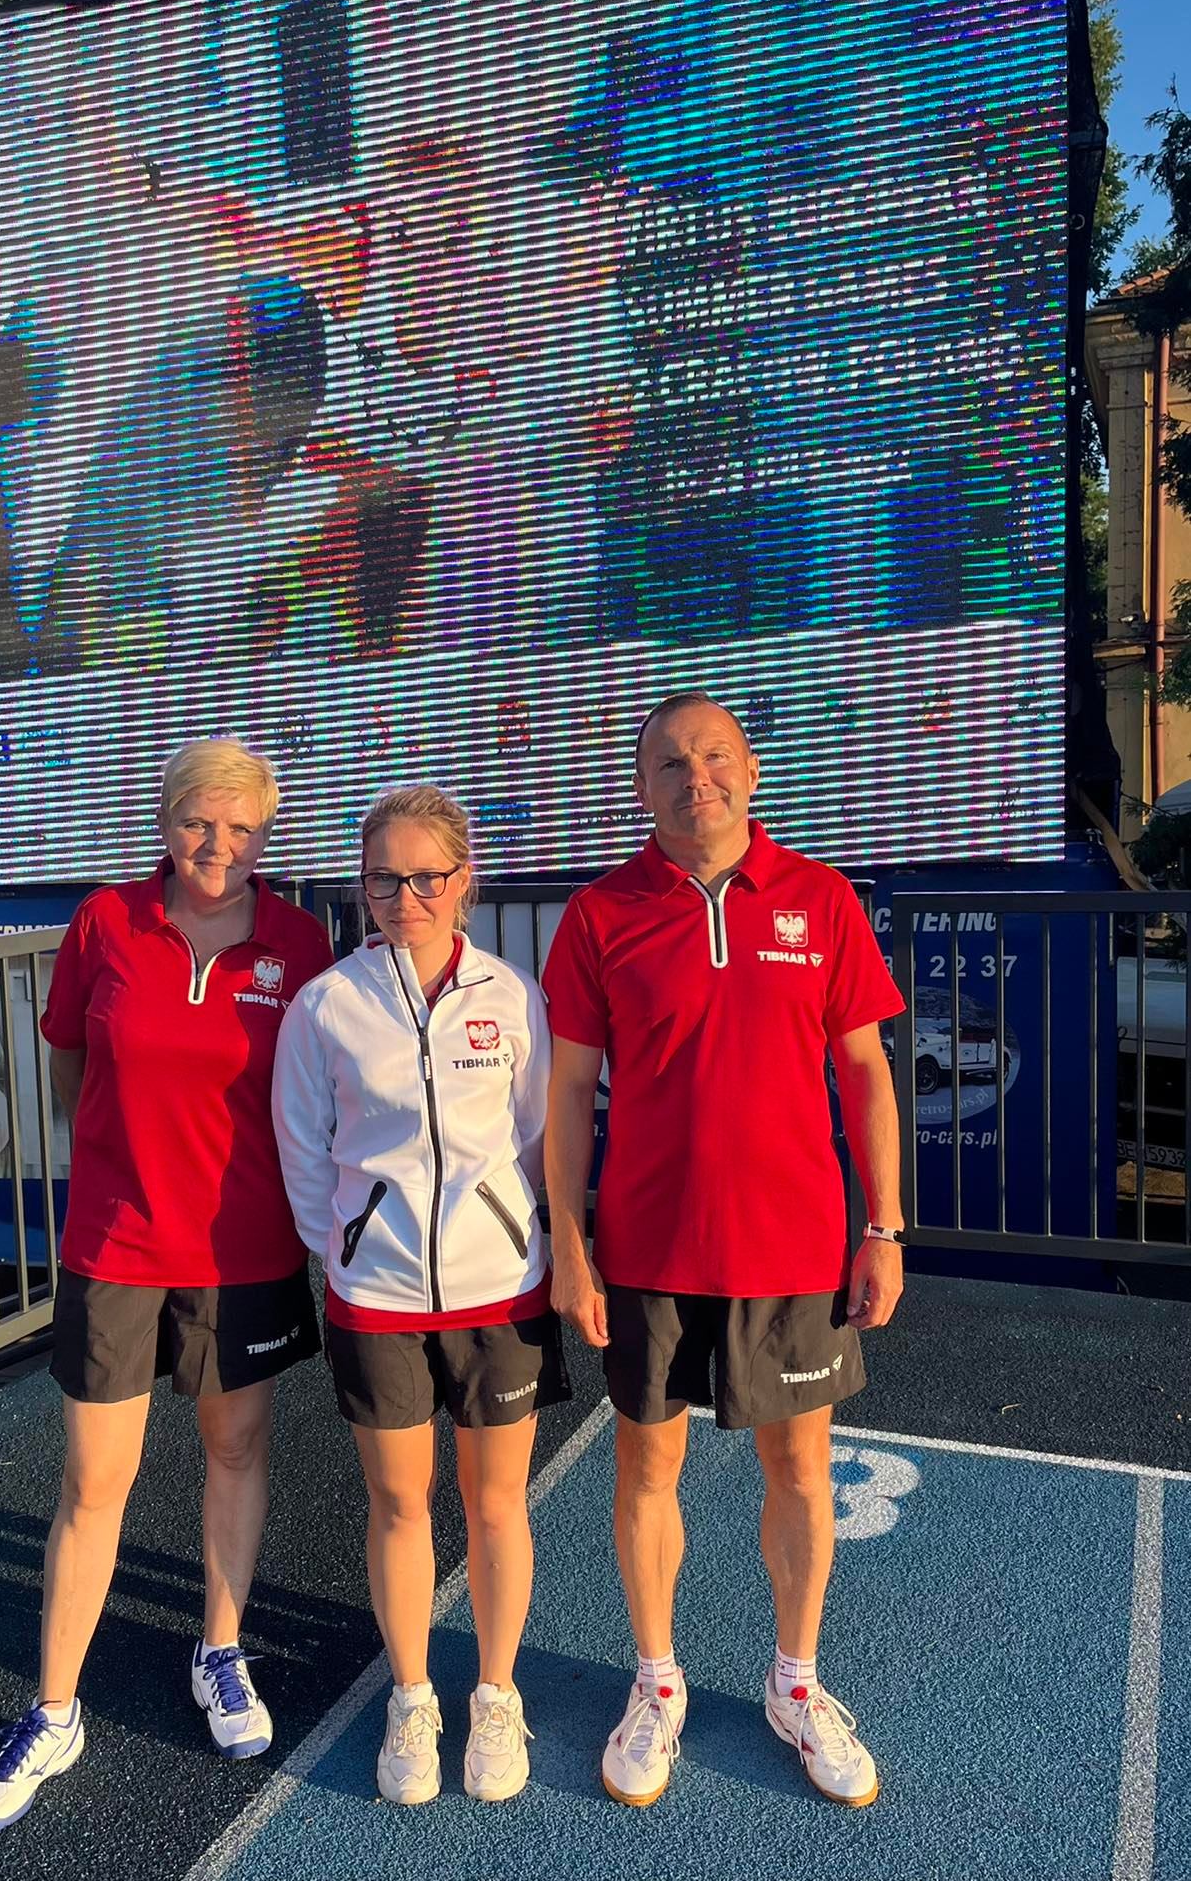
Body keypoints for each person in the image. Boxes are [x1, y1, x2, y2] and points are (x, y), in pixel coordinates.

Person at [0, 739, 334, 1832]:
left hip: (246, 1248)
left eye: (243, 827)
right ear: (165, 820)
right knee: (94, 1480)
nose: (219, 845)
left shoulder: (300, 941)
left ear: (266, 835)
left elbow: (314, 1088)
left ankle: (219, 1648)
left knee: (235, 1449)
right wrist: (116, 1156)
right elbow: (71, 1058)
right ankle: (54, 1708)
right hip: (116, 1244)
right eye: (198, 821)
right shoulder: (106, 921)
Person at [542, 692, 905, 1810]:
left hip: (793, 1250)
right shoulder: (600, 912)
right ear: (639, 786)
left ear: (748, 769)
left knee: (799, 1471)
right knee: (646, 1470)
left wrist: (883, 1227)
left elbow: (863, 1069)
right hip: (649, 1250)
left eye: (711, 756)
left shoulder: (821, 897)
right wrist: (569, 1239)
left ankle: (795, 1681)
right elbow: (567, 1091)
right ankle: (657, 1679)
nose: (692, 777)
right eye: (667, 761)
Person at [272, 784, 567, 1806]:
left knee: (495, 1504)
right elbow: (302, 1147)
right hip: (379, 1299)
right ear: (362, 887)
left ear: (463, 880)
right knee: (400, 1503)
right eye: (383, 879)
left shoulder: (511, 995)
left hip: (500, 1293)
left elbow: (535, 1134)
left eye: (426, 877)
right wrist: (348, 1248)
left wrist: (516, 1232)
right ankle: (410, 1695)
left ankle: (494, 1693)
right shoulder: (326, 1005)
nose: (406, 898)